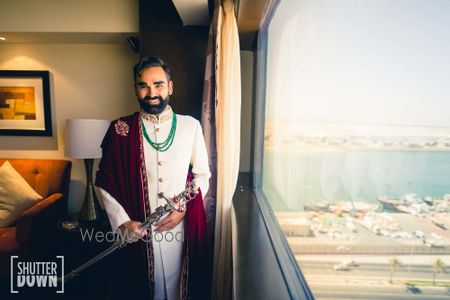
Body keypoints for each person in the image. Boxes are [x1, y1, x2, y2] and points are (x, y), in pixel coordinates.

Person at [95, 57, 211, 300]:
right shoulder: (120, 129)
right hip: (138, 231)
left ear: (170, 87)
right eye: (143, 86)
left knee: (181, 289)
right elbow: (105, 181)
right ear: (136, 89)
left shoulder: (191, 126)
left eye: (158, 85)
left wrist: (183, 209)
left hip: (179, 231)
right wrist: (122, 222)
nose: (151, 93)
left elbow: (202, 174)